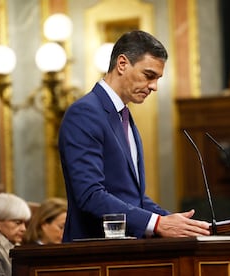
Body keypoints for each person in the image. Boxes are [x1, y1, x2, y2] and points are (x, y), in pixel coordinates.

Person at [58, 30, 210, 241]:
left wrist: (177, 223)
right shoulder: (85, 112)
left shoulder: (124, 115)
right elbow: (90, 195)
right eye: (149, 76)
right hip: (93, 255)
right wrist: (158, 223)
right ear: (122, 64)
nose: (154, 87)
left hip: (126, 251)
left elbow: (132, 198)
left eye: (157, 79)